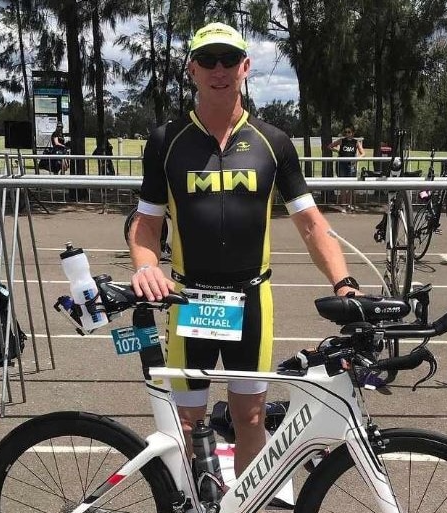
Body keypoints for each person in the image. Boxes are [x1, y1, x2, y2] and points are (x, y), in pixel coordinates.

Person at [128, 21, 360, 479]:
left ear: (245, 67)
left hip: (251, 301)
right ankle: (198, 502)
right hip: (189, 301)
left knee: (249, 416)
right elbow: (146, 226)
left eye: (229, 59)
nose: (219, 69)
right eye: (208, 60)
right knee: (189, 422)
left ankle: (245, 505)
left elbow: (312, 224)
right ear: (191, 69)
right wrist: (145, 266)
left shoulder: (273, 143)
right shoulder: (166, 141)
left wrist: (345, 283)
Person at [327, 126, 365, 212]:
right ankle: (343, 205)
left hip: (351, 165)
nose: (347, 134)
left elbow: (363, 153)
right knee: (343, 185)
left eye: (349, 132)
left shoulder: (356, 142)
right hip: (341, 164)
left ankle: (349, 204)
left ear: (353, 133)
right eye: (346, 132)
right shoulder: (341, 140)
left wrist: (356, 159)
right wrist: (337, 151)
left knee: (351, 185)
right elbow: (330, 146)